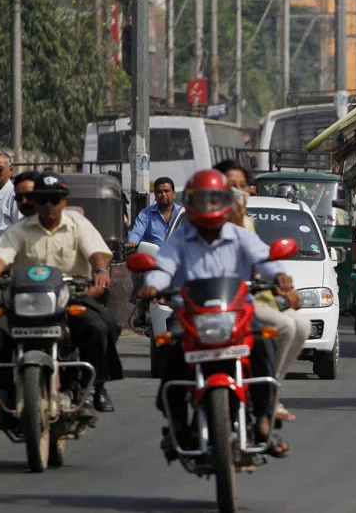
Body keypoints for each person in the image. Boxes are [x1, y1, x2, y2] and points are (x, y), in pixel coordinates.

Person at [137, 169, 306, 456]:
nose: (209, 207)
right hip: (191, 317)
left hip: (236, 315)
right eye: (202, 200)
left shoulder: (240, 236)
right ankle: (176, 425)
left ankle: (264, 420)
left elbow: (265, 260)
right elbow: (164, 268)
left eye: (215, 200)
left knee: (263, 347)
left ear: (224, 201)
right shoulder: (180, 238)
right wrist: (152, 286)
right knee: (171, 356)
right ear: (191, 202)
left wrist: (280, 278)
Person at [0, 171, 124, 426]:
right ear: (34, 201)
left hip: (70, 298)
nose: (49, 205)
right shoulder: (19, 229)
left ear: (65, 200)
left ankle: (94, 388)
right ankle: (4, 397)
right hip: (24, 302)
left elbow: (97, 253)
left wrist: (99, 272)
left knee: (101, 326)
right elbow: (0, 258)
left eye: (56, 199)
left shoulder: (77, 224)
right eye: (43, 199)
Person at [215, 160, 310, 421]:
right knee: (286, 327)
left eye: (242, 186)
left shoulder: (245, 221)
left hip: (247, 298)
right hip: (212, 302)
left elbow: (262, 255)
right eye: (230, 186)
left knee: (301, 325)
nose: (237, 192)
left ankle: (271, 390)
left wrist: (282, 280)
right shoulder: (203, 219)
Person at [125, 177, 181, 249]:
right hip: (153, 257)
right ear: (155, 195)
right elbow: (137, 232)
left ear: (174, 194)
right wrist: (132, 242)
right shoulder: (145, 214)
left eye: (166, 191)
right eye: (159, 192)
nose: (163, 194)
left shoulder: (182, 213)